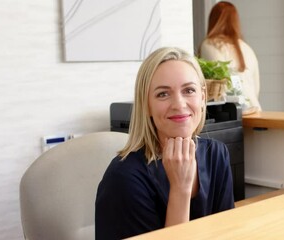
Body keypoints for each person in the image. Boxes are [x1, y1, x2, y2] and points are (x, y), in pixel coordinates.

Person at [95, 47, 235, 239]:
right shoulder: (123, 178)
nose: (179, 104)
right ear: (146, 105)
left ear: (203, 97)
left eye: (189, 90)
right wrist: (180, 189)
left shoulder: (216, 155)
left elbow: (227, 233)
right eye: (163, 94)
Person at [199, 1, 261, 113]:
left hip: (233, 112)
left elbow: (217, 84)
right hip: (255, 109)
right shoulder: (246, 47)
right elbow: (255, 87)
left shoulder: (209, 44)